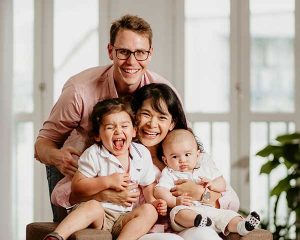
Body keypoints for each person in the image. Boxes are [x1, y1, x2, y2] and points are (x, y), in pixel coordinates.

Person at [34, 14, 177, 222]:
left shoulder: (163, 92)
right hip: (81, 175)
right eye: (123, 52)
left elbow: (184, 141)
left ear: (150, 53)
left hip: (138, 180)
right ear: (110, 51)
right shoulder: (79, 91)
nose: (131, 61)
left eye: (140, 53)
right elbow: (42, 144)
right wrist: (58, 158)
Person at [43, 97, 167, 240]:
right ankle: (57, 236)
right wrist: (107, 181)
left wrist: (152, 201)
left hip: (124, 217)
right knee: (92, 206)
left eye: (124, 126)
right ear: (97, 135)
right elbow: (77, 186)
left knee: (149, 211)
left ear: (134, 131)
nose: (118, 131)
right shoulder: (94, 154)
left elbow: (147, 185)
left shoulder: (141, 154)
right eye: (110, 127)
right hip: (99, 215)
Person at [154, 129, 261, 237]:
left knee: (227, 215)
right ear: (166, 160)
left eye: (187, 154)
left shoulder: (205, 168)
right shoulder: (170, 173)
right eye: (175, 157)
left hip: (209, 209)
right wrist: (175, 201)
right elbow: (159, 190)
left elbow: (222, 183)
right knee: (177, 213)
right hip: (186, 209)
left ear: (197, 154)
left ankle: (241, 226)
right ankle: (197, 220)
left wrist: (213, 184)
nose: (182, 160)